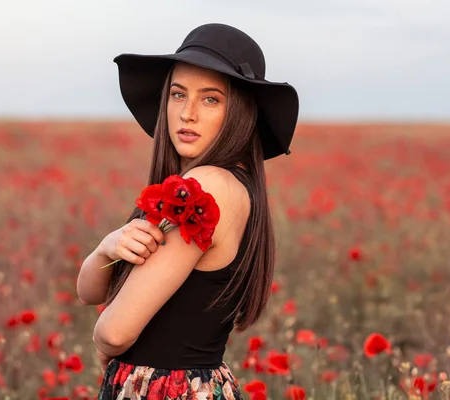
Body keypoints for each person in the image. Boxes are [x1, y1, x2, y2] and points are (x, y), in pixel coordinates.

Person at [76, 23, 299, 399]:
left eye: (211, 99)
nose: (187, 113)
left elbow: (114, 333)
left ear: (241, 112)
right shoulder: (213, 182)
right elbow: (87, 291)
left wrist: (104, 344)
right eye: (178, 95)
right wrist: (107, 248)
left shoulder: (209, 187)